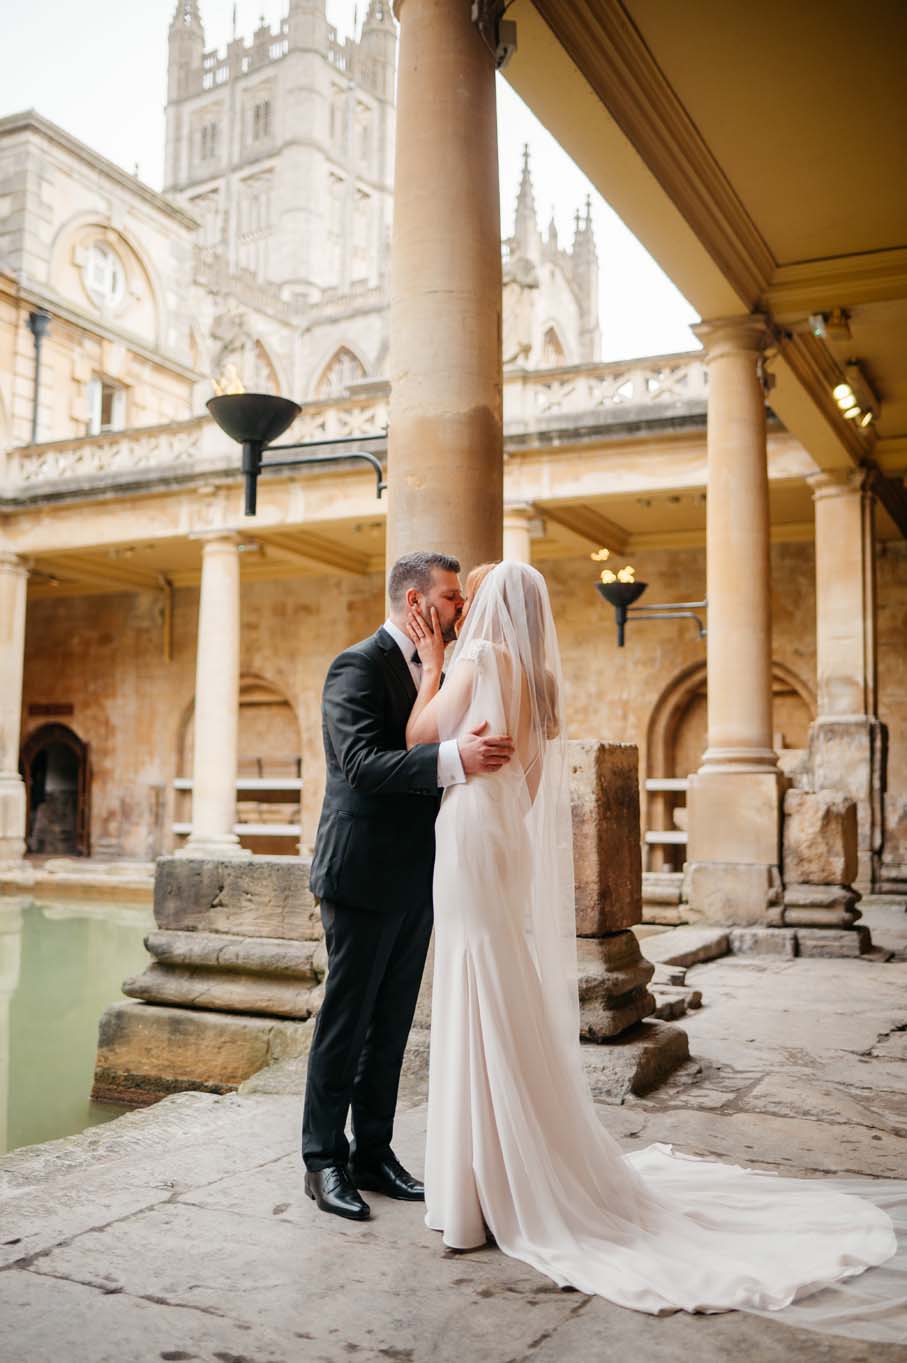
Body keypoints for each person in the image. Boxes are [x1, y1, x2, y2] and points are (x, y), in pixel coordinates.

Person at [403, 560, 896, 1315]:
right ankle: (494, 1169)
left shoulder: (474, 659)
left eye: (471, 596)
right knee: (493, 987)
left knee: (474, 987)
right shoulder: (538, 685)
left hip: (468, 836)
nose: (461, 609)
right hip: (500, 842)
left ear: (493, 607)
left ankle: (475, 1188)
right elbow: (530, 788)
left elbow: (418, 736)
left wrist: (432, 665)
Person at [302, 550, 515, 1221]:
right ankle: (322, 1161)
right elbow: (361, 765)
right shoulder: (356, 664)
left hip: (419, 873)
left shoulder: (440, 665)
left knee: (391, 1024)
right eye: (452, 597)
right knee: (346, 1021)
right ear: (416, 600)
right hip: (360, 871)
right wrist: (455, 759)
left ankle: (373, 1152)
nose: (460, 608)